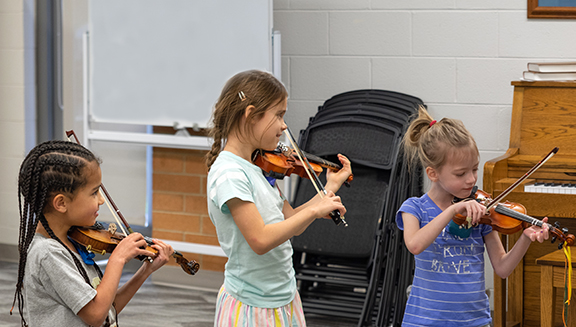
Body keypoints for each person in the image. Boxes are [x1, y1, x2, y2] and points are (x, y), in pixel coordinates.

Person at [206, 69, 352, 326]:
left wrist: (329, 189)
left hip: (282, 296)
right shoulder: (229, 174)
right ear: (250, 115)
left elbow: (290, 221)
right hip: (252, 306)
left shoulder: (258, 167)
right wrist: (314, 211)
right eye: (279, 115)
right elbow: (260, 240)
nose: (284, 125)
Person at [396, 106, 549, 327]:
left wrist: (525, 238)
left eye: (474, 170)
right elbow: (415, 245)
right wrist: (451, 211)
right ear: (433, 173)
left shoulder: (480, 211)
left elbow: (503, 269)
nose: (471, 180)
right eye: (461, 173)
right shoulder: (414, 208)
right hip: (425, 321)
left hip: (473, 321)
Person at [12, 140, 174, 327]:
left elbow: (106, 310)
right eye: (94, 192)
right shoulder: (48, 254)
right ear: (61, 203)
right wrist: (118, 259)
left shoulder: (71, 241)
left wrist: (145, 271)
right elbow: (95, 315)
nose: (102, 200)